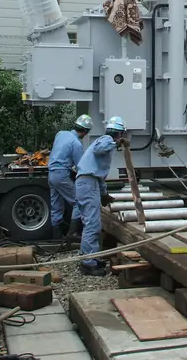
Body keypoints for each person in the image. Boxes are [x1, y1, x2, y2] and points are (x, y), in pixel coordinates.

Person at [74, 115, 126, 276]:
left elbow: (99, 174)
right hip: (88, 183)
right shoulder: (105, 140)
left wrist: (104, 194)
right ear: (118, 134)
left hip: (90, 183)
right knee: (93, 224)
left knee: (90, 223)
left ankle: (91, 257)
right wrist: (114, 142)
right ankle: (88, 263)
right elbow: (99, 148)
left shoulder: (105, 146)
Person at [48, 114, 92, 239]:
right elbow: (80, 166)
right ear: (85, 131)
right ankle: (72, 233)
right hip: (61, 175)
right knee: (78, 202)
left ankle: (56, 236)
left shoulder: (61, 134)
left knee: (56, 204)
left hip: (51, 173)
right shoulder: (76, 144)